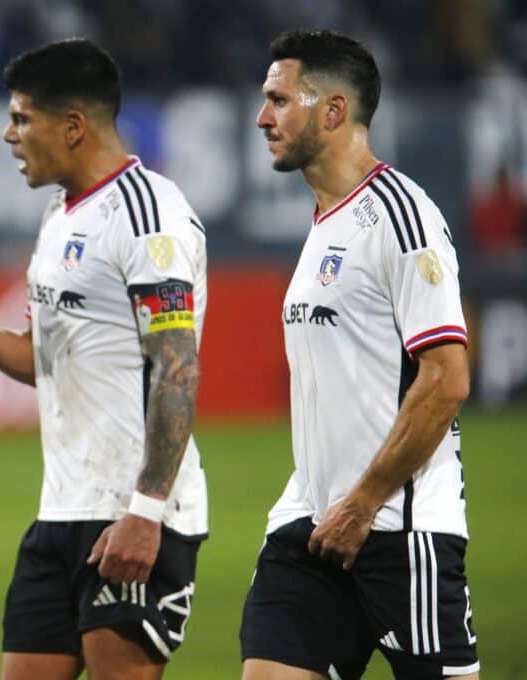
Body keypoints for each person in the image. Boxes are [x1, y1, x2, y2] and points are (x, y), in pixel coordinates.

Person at [0, 39, 208, 680]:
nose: (8, 135)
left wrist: (145, 513)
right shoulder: (60, 214)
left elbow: (178, 368)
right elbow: (38, 360)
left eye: (21, 119)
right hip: (62, 512)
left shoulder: (148, 216)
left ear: (73, 125)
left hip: (134, 511)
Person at [241, 30, 479, 680]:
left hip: (401, 530)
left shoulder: (402, 217)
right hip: (311, 528)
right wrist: (334, 508)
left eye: (279, 100)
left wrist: (363, 503)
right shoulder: (327, 221)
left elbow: (447, 379)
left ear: (334, 110)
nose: (262, 117)